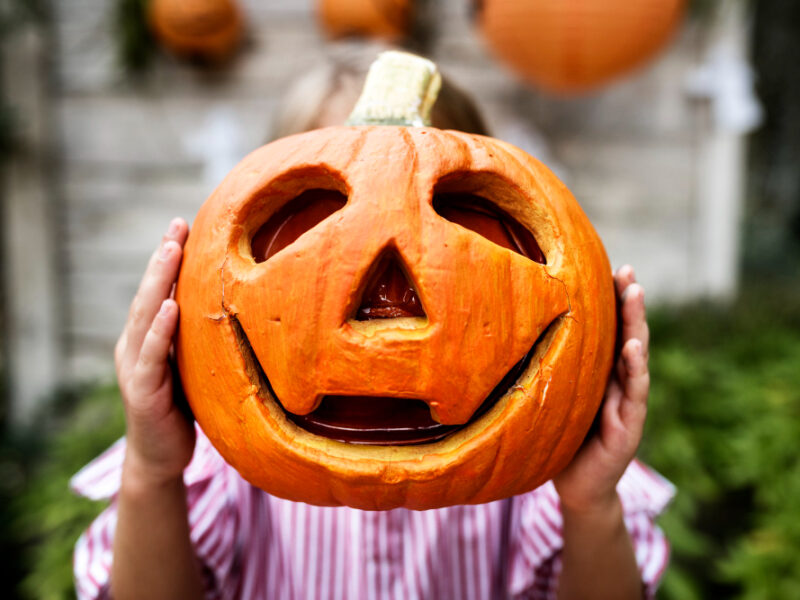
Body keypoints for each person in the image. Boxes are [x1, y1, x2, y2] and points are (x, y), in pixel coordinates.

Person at [72, 48, 674, 600]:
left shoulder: (542, 471)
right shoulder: (214, 458)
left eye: (458, 213)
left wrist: (591, 503)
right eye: (315, 215)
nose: (383, 315)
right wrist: (152, 471)